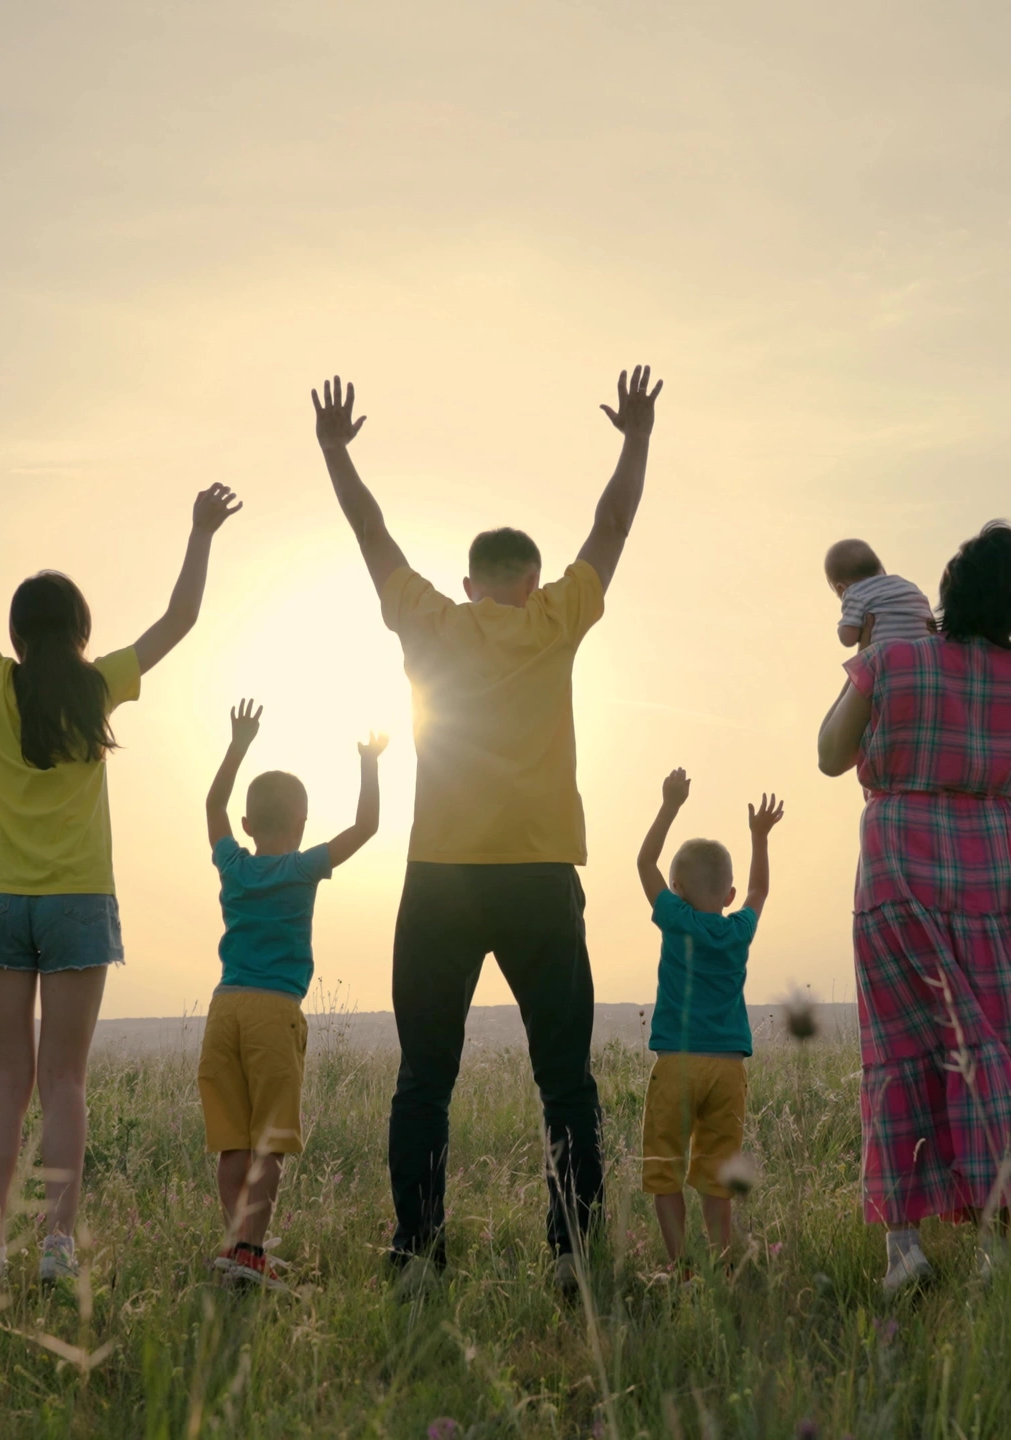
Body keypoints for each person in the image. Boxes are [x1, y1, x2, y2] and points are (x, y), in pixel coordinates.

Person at [309, 366, 662, 1288]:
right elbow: (614, 527)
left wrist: (337, 454)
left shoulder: (431, 620)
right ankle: (571, 1260)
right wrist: (635, 437)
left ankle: (418, 1251)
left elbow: (371, 532)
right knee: (567, 1082)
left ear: (470, 583)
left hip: (442, 877)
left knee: (426, 1079)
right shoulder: (557, 618)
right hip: (541, 876)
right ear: (532, 579)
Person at [0, 468, 243, 1287]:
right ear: (79, 629)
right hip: (75, 902)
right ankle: (58, 1246)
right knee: (65, 1081)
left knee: (7, 1080)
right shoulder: (98, 686)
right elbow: (181, 619)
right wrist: (201, 532)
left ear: (18, 634)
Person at [817, 521, 1011, 1295]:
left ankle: (906, 1248)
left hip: (899, 866)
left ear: (947, 591)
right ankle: (998, 1242)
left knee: (900, 1049)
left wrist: (862, 667)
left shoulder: (889, 660)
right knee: (993, 1045)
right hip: (994, 871)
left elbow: (829, 753)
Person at [199, 699, 387, 1289]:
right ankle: (251, 1254)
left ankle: (238, 1247)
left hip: (224, 1007)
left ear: (249, 825)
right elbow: (366, 828)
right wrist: (369, 764)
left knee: (233, 1144)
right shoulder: (304, 868)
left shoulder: (233, 863)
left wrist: (239, 744)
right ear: (302, 822)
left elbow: (212, 805)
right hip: (273, 1012)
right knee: (269, 1147)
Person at [631, 769, 782, 1270]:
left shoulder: (674, 918)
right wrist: (759, 838)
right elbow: (761, 889)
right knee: (718, 1178)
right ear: (729, 894)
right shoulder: (738, 928)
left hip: (677, 1064)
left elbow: (643, 862)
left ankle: (679, 1270)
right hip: (728, 1069)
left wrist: (670, 804)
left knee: (664, 1173)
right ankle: (720, 1266)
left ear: (675, 889)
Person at [825, 539, 937, 651]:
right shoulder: (908, 586)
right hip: (927, 651)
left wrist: (842, 629)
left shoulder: (854, 593)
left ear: (840, 589)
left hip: (888, 657)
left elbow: (848, 640)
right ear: (883, 570)